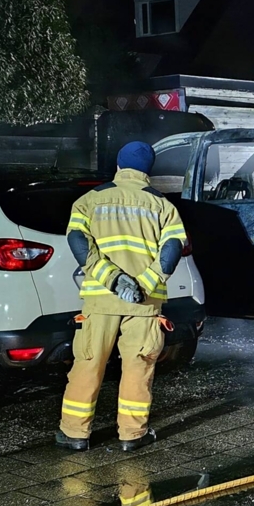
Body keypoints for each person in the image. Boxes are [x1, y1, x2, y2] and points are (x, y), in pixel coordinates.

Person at [55, 141, 187, 451]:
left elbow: (77, 241)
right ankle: (132, 434)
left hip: (101, 299)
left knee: (88, 363)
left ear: (118, 165)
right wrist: (143, 284)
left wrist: (113, 280)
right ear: (148, 171)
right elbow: (172, 249)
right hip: (144, 303)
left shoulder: (90, 200)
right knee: (138, 367)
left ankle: (75, 433)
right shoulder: (163, 206)